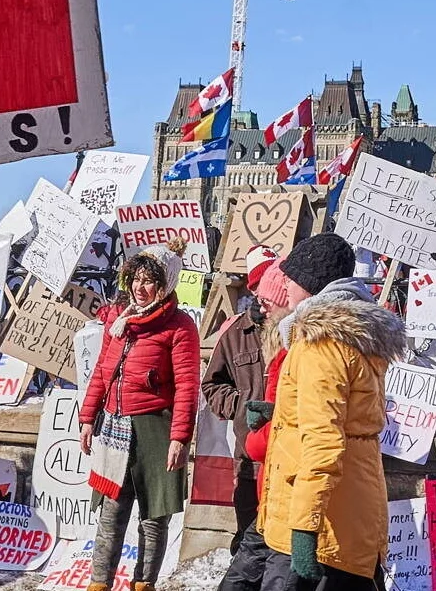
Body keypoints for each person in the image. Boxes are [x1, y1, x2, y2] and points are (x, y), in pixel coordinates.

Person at [257, 234, 402, 591]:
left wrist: (305, 528)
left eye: (290, 278)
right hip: (349, 513)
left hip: (320, 526)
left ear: (310, 284)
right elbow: (346, 415)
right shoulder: (352, 335)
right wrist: (282, 412)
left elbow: (324, 441)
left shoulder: (320, 343)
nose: (285, 286)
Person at [80, 239, 200, 591]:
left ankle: (143, 585)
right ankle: (99, 584)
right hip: (116, 425)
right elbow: (103, 371)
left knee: (153, 519)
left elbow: (187, 387)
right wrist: (88, 418)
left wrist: (179, 437)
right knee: (111, 514)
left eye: (149, 281)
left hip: (155, 430)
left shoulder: (179, 327)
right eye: (135, 278)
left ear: (165, 286)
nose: (139, 287)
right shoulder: (118, 321)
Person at [202, 247, 278, 544]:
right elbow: (212, 385)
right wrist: (241, 407)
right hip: (248, 459)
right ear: (253, 287)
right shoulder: (236, 333)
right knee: (249, 538)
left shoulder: (296, 329)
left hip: (288, 459)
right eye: (262, 282)